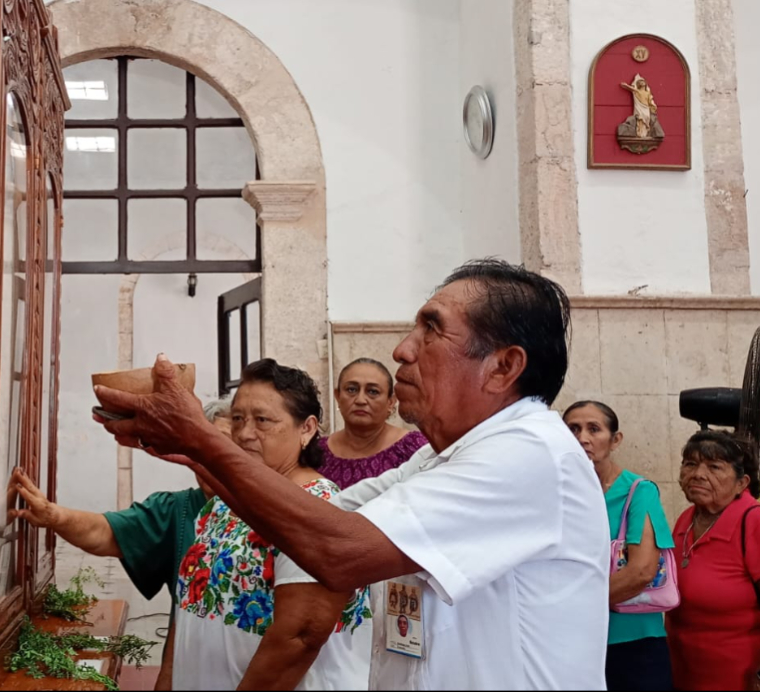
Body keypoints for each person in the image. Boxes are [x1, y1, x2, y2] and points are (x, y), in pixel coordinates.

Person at [95, 258, 609, 689]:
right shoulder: (437, 456)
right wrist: (199, 454)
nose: (402, 349)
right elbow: (325, 517)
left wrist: (202, 440)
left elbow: (339, 550)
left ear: (502, 367)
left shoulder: (529, 453)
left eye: (431, 329)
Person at [170, 359, 369, 690]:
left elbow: (299, 639)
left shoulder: (317, 506)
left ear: (306, 429)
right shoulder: (224, 500)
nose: (245, 433)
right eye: (238, 419)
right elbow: (187, 604)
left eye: (262, 420)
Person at [9, 398, 230, 690]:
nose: (211, 458)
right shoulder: (179, 510)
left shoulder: (274, 517)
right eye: (203, 447)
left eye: (226, 447)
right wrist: (53, 515)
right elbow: (105, 533)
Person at [564, 400, 674, 691]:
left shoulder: (638, 492)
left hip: (633, 643)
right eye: (573, 429)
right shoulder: (558, 493)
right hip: (573, 644)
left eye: (594, 429)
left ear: (616, 440)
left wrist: (566, 604)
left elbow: (641, 571)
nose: (582, 438)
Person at [667, 430, 760, 691]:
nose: (699, 474)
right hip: (685, 672)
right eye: (690, 464)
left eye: (714, 467)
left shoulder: (757, 522)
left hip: (741, 676)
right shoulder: (685, 520)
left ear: (741, 482)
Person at [319, 358, 427, 489]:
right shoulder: (316, 452)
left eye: (372, 392)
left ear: (391, 402)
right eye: (351, 389)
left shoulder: (414, 448)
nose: (360, 400)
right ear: (338, 396)